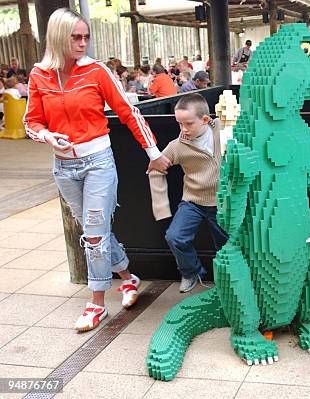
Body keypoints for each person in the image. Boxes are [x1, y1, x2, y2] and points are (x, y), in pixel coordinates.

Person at [23, 8, 172, 332]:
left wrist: (153, 152)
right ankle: (128, 277)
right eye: (76, 37)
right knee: (96, 234)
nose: (82, 42)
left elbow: (129, 113)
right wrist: (47, 135)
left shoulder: (97, 71)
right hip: (63, 167)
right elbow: (31, 123)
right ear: (58, 37)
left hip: (98, 162)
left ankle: (97, 304)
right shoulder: (39, 75)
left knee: (93, 234)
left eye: (86, 36)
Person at [148, 93, 228, 293]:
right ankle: (190, 272)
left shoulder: (223, 129)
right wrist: (161, 207)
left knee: (226, 245)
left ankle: (228, 280)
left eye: (189, 124)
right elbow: (154, 169)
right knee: (175, 237)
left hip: (223, 202)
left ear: (205, 120)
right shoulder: (177, 146)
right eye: (180, 124)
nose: (184, 129)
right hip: (193, 201)